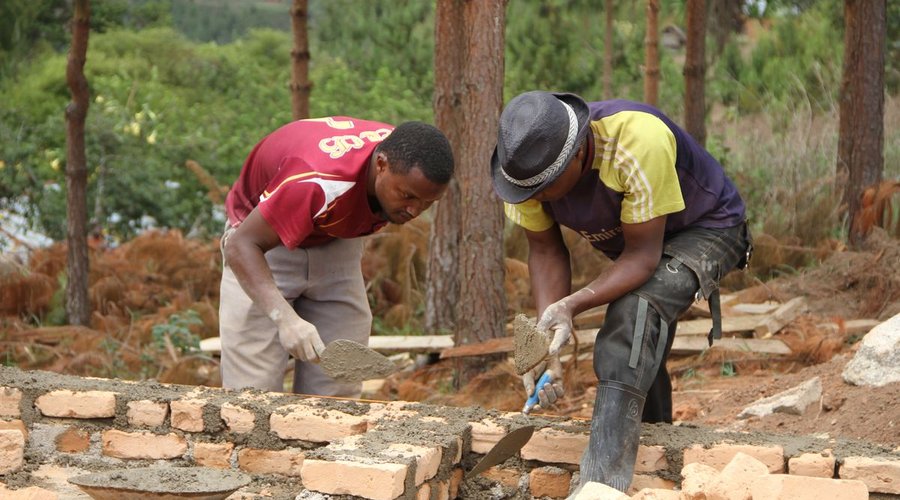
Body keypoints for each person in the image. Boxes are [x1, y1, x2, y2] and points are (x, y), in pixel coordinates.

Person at [491, 91, 751, 493]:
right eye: (529, 192)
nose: (536, 198)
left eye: (545, 188)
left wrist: (573, 304)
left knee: (633, 312)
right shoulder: (524, 172)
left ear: (577, 154)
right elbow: (544, 250)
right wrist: (547, 341)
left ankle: (603, 483)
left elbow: (643, 258)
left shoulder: (635, 140)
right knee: (638, 341)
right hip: (641, 242)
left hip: (706, 227)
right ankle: (656, 446)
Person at [219, 117, 454, 396]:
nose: (415, 210)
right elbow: (241, 245)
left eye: (428, 203)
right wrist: (285, 318)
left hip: (334, 235)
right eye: (407, 196)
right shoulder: (317, 180)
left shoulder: (406, 152)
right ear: (381, 165)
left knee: (340, 381)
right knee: (251, 394)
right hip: (262, 243)